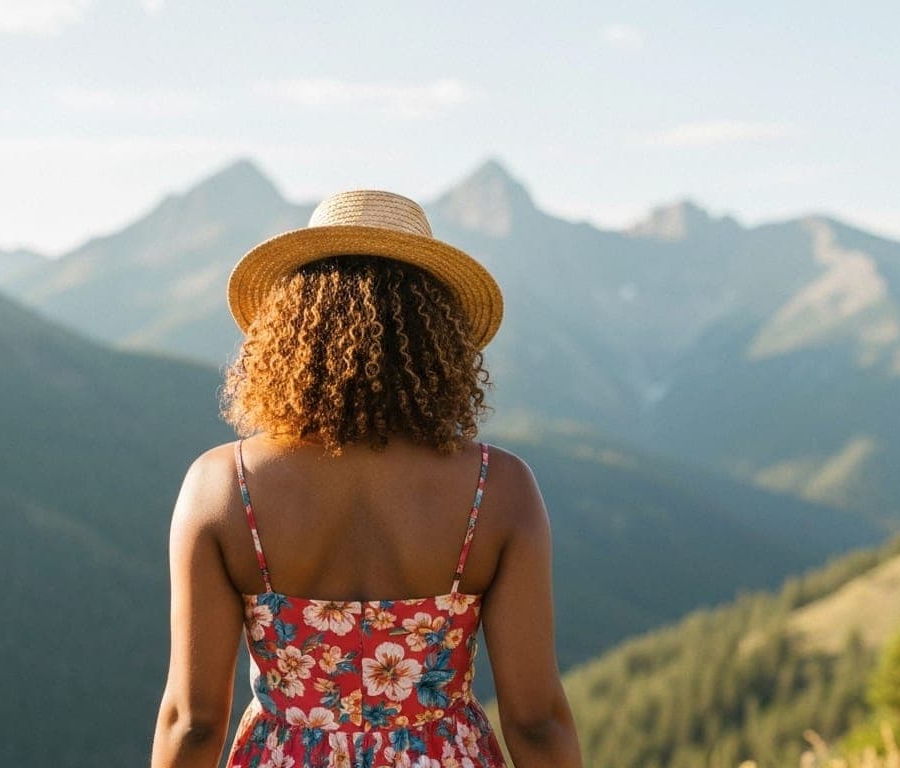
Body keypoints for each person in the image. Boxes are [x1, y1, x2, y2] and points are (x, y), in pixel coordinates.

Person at [151, 190, 583, 768]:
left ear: (288, 329)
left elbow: (193, 722)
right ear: (438, 338)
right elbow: (534, 721)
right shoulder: (498, 488)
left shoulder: (222, 485)